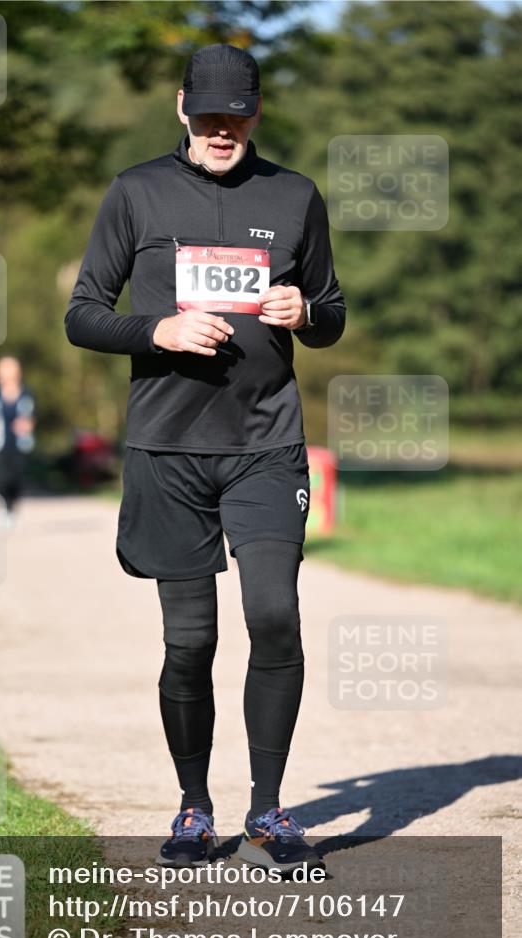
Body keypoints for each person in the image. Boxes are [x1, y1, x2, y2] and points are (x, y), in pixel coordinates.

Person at [64, 44, 346, 873]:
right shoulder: (136, 192)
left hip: (265, 443)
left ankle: (269, 809)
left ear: (255, 113)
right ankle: (194, 808)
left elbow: (329, 311)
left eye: (238, 116)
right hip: (168, 450)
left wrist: (308, 310)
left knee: (273, 615)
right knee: (189, 643)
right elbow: (82, 313)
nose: (222, 131)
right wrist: (155, 330)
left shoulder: (293, 196)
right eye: (209, 115)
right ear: (181, 106)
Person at [0, 356, 36, 519]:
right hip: (0, 442)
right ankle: (5, 506)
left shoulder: (26, 392)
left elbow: (32, 416)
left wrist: (27, 425)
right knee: (2, 476)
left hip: (20, 443)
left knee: (16, 476)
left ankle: (13, 502)